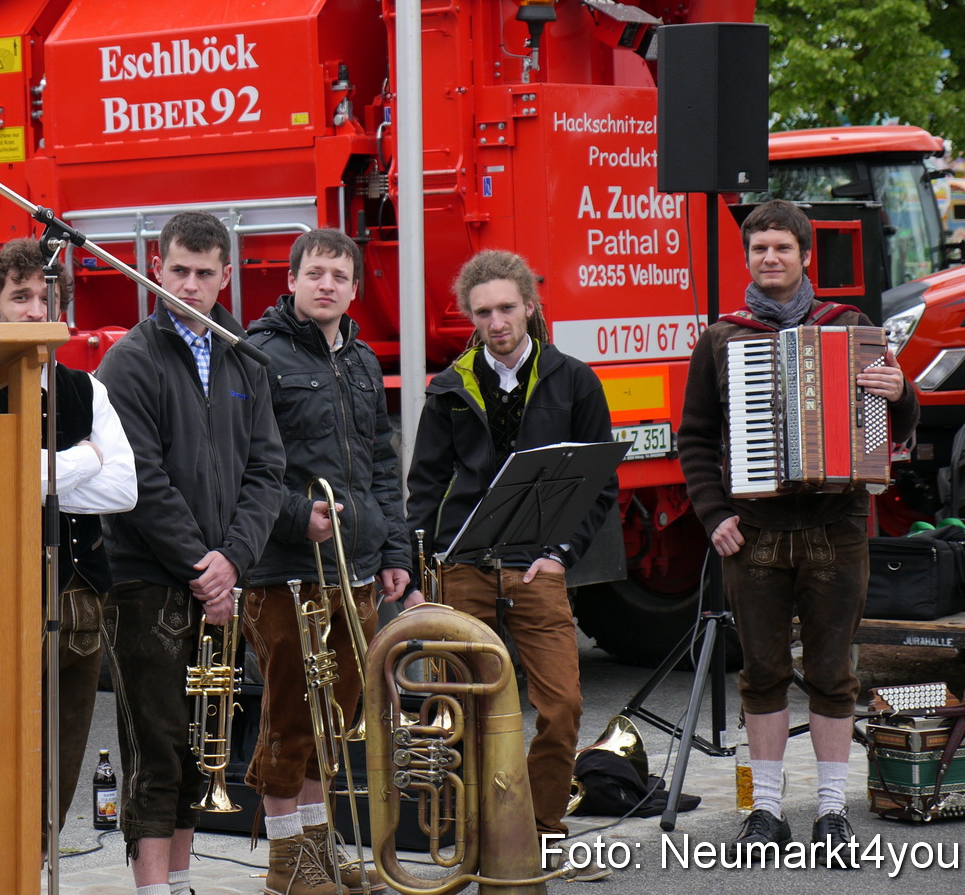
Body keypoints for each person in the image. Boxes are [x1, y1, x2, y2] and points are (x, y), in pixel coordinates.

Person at [678, 200, 915, 864]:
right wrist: (714, 513)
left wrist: (900, 393)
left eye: (782, 246)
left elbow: (895, 424)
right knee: (762, 672)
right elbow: (694, 439)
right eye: (760, 248)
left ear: (806, 255)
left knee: (834, 673)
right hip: (754, 532)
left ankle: (832, 811)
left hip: (836, 527)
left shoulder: (851, 326)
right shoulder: (723, 338)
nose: (771, 257)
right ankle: (767, 810)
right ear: (748, 258)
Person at [404, 249, 616, 881]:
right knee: (459, 712)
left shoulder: (574, 380)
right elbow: (424, 486)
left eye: (505, 308)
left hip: (536, 569)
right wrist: (416, 573)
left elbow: (599, 482)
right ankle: (477, 842)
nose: (496, 323)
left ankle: (542, 838)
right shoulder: (448, 387)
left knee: (562, 706)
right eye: (482, 313)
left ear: (529, 305)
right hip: (464, 568)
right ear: (470, 317)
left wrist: (560, 555)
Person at [96, 211, 285, 895]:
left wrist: (232, 559)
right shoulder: (130, 360)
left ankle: (178, 882)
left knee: (198, 747)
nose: (190, 284)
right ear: (156, 268)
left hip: (220, 577)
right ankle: (153, 888)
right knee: (157, 746)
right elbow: (140, 478)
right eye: (178, 270)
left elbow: (267, 469)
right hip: (146, 579)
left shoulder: (244, 357)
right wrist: (205, 567)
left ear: (225, 275)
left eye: (204, 273)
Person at [242, 229, 410, 895]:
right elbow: (244, 463)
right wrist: (294, 516)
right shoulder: (258, 354)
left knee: (334, 717)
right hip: (284, 569)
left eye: (339, 276)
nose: (326, 285)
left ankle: (318, 846)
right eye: (315, 273)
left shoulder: (362, 360)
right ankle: (286, 859)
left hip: (356, 566)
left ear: (355, 288)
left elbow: (381, 466)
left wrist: (395, 549)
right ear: (290, 280)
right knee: (291, 715)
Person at [0, 238, 136, 826]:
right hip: (1, 602)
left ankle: (41, 860)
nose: (37, 310)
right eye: (21, 297)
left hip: (81, 599)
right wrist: (86, 457)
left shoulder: (89, 389)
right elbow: (0, 482)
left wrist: (43, 474)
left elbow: (125, 490)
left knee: (60, 760)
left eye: (47, 297)